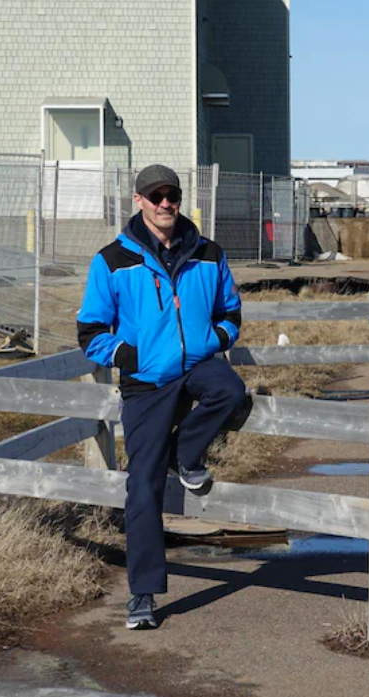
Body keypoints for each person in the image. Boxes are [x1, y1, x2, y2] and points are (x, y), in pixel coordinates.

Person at [77, 164, 248, 630]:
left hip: (196, 365)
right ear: (138, 201)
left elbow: (231, 312)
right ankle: (143, 594)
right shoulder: (113, 260)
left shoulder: (208, 254)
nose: (165, 203)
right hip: (147, 380)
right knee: (143, 485)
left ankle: (184, 455)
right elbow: (90, 331)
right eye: (156, 196)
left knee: (231, 390)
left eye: (171, 194)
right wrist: (132, 357)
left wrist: (212, 341)